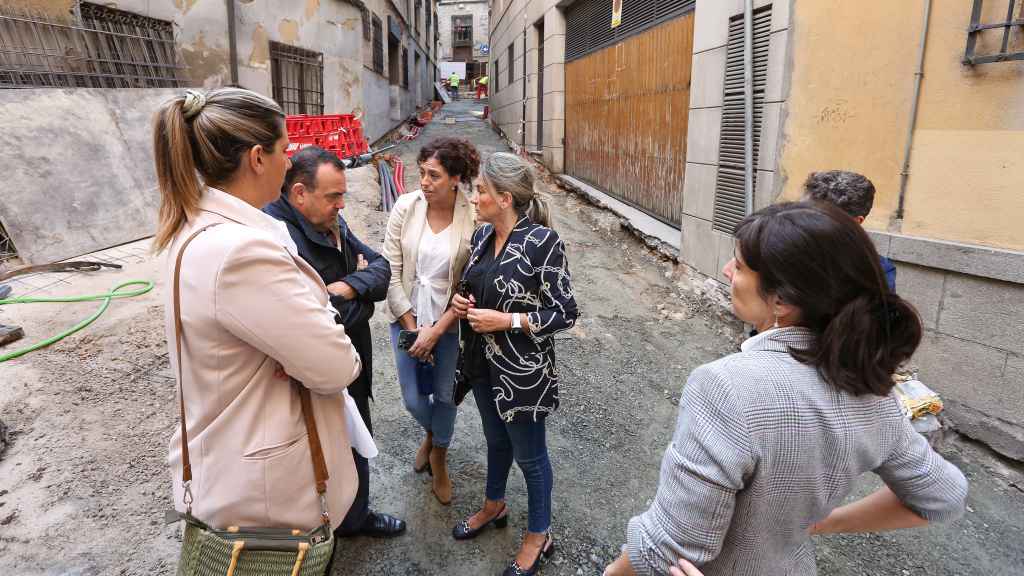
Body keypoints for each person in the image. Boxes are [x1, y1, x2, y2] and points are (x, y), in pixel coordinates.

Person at [603, 201, 968, 576]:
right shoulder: (874, 392)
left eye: (740, 266)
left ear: (782, 299)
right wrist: (822, 522)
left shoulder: (724, 386)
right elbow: (944, 497)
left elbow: (668, 548)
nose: (728, 271)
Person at [153, 88, 371, 535]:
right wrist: (326, 311)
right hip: (264, 489)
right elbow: (335, 366)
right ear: (257, 157)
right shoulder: (241, 251)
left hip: (228, 451)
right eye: (284, 149)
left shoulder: (194, 228)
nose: (289, 161)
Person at [264, 146, 406, 538]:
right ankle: (322, 533)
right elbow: (312, 322)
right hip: (314, 377)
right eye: (333, 197)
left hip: (352, 364)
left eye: (343, 195)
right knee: (320, 457)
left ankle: (355, 519)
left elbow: (380, 267)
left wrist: (344, 287)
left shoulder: (330, 222)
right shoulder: (279, 238)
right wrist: (357, 301)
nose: (341, 205)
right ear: (299, 193)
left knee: (358, 443)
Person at [450, 152, 579, 576]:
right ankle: (494, 505)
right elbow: (477, 286)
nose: (474, 197)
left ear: (505, 198)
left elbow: (565, 312)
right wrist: (461, 301)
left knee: (531, 456)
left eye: (481, 190)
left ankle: (539, 534)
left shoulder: (542, 242)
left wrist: (508, 320)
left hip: (523, 372)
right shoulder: (484, 238)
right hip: (483, 364)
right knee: (496, 441)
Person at [382, 137, 479, 505]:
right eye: (422, 172)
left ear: (455, 178)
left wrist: (437, 331)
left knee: (445, 396)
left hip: (450, 323)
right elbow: (390, 269)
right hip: (407, 312)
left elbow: (471, 282)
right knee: (411, 397)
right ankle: (434, 433)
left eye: (434, 175)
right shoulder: (406, 207)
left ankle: (439, 454)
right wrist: (413, 329)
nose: (423, 181)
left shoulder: (472, 216)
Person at [802, 170, 896, 291]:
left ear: (856, 222)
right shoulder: (782, 247)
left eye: (820, 217)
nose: (804, 222)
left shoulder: (878, 272)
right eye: (804, 212)